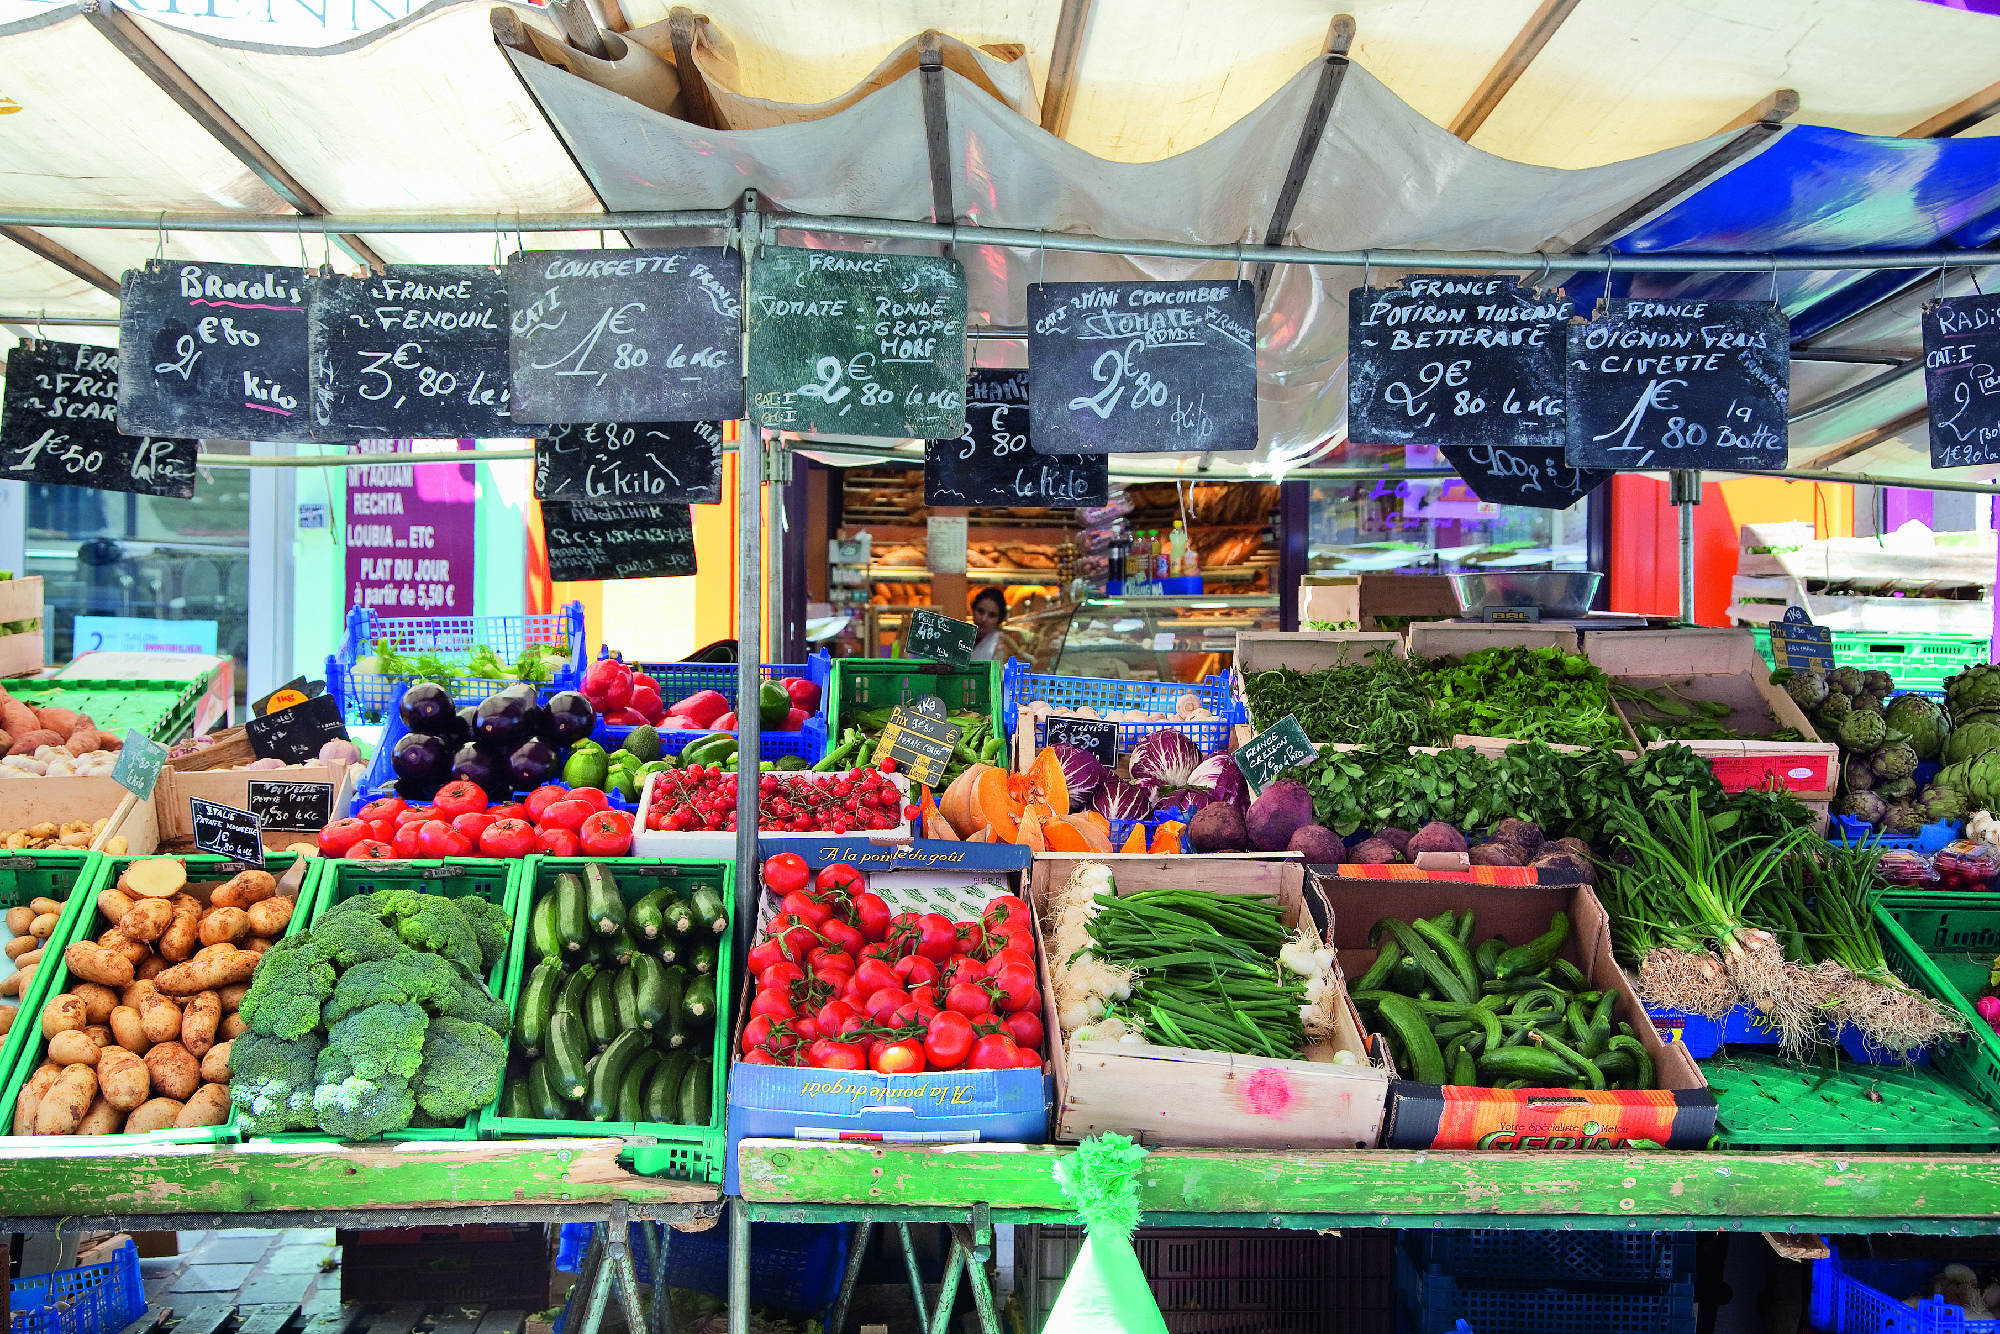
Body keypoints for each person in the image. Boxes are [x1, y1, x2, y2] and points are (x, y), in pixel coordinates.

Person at [968, 587, 1022, 662]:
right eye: (980, 611)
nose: (984, 619)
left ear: (999, 619)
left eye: (992, 615)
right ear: (973, 610)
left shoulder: (1002, 644)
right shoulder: (963, 637)